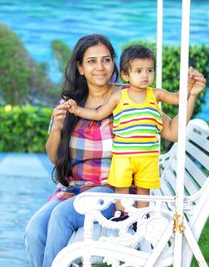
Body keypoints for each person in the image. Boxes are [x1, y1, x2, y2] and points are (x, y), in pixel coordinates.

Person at [24, 34, 206, 267]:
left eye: (106, 59)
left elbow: (171, 130)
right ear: (80, 67)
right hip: (73, 190)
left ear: (114, 64)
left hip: (112, 192)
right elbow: (54, 157)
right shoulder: (71, 103)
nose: (100, 67)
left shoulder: (130, 96)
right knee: (34, 231)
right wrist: (57, 128)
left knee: (61, 217)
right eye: (91, 61)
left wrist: (191, 95)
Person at [65, 45, 193, 219]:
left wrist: (190, 88)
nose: (145, 76)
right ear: (125, 75)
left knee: (143, 189)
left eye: (150, 70)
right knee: (121, 186)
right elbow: (98, 113)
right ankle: (120, 213)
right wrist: (77, 110)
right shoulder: (119, 96)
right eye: (139, 71)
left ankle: (141, 217)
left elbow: (179, 99)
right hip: (123, 156)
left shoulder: (155, 95)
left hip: (147, 157)